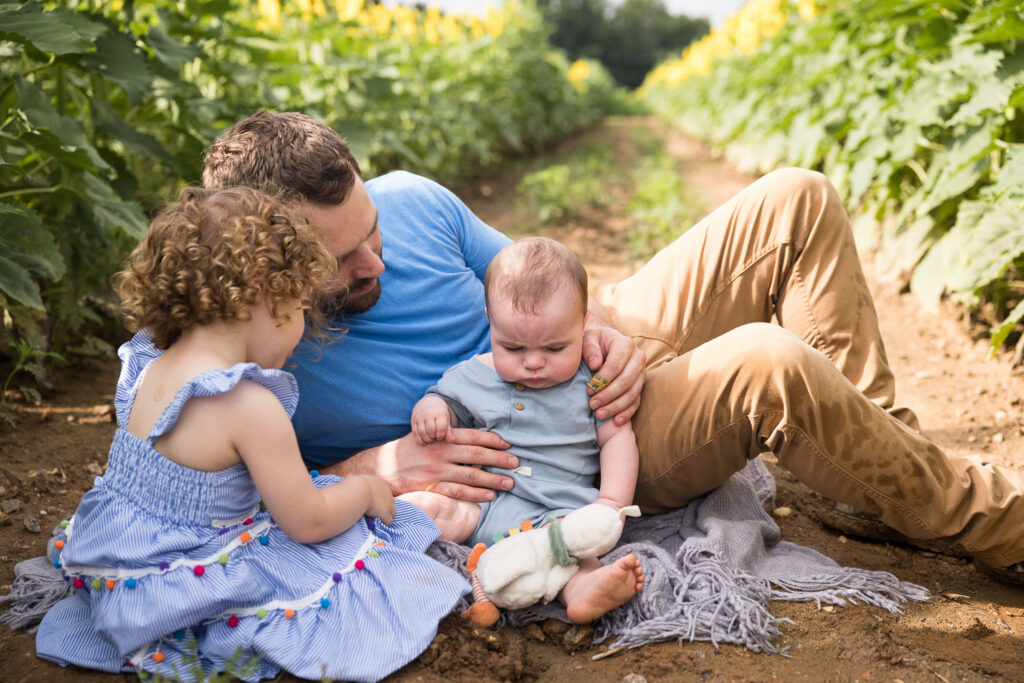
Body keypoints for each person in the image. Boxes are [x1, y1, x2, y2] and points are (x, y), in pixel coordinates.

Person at [201, 111, 1024, 583]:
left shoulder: (413, 199)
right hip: (563, 440)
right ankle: (997, 522)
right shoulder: (244, 350)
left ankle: (881, 479)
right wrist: (361, 470)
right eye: (342, 264)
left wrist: (606, 332)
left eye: (371, 232)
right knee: (770, 365)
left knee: (797, 201)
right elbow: (208, 501)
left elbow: (533, 276)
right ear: (266, 266)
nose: (375, 261)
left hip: (591, 350)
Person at [34, 187, 469, 682]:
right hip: (190, 570)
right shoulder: (248, 403)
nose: (303, 326)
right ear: (266, 292)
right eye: (302, 305)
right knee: (353, 552)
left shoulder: (148, 363)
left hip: (120, 561)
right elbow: (308, 522)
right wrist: (369, 489)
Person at [403, 237, 645, 624]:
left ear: (584, 323)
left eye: (554, 348)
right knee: (424, 508)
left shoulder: (593, 380)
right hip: (483, 506)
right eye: (513, 348)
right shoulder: (474, 376)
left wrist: (610, 504)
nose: (533, 362)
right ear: (491, 322)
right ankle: (396, 566)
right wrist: (432, 409)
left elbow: (617, 437)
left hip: (559, 509)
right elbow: (444, 398)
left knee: (575, 548)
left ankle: (583, 592)